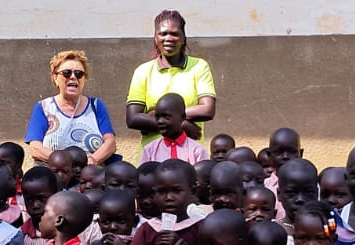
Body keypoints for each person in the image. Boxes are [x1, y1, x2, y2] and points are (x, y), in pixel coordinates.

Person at [126, 10, 217, 150]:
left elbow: (207, 110)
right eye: (162, 34)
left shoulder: (199, 67)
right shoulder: (143, 71)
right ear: (155, 38)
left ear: (183, 38)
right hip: (152, 156)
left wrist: (154, 115)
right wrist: (181, 125)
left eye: (174, 34)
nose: (168, 38)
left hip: (189, 154)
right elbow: (133, 119)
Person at [24, 49, 118, 167]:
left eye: (79, 74)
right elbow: (35, 148)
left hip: (90, 177)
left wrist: (92, 160)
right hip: (55, 175)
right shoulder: (43, 107)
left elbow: (110, 142)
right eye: (67, 73)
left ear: (84, 79)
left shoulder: (96, 106)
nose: (73, 77)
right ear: (55, 78)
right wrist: (64, 163)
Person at [138, 93, 210, 165]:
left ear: (182, 117)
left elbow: (203, 174)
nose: (160, 121)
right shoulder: (149, 150)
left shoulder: (197, 151)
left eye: (166, 116)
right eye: (157, 117)